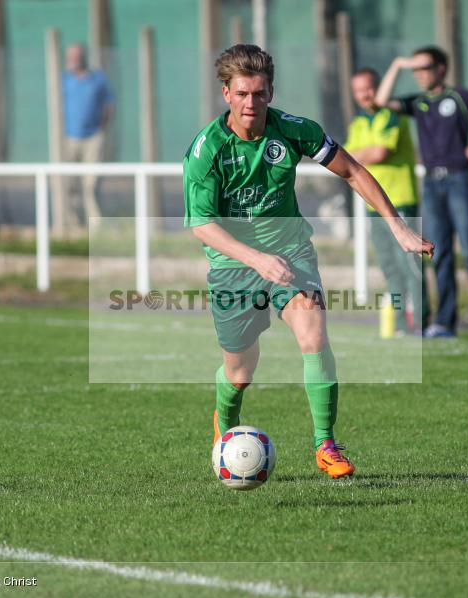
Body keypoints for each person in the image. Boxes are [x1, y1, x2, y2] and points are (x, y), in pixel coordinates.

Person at [183, 45, 433, 479]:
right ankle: (225, 421)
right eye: (241, 94)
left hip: (291, 253)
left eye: (259, 93)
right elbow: (202, 226)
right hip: (233, 264)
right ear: (226, 93)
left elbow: (353, 171)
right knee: (240, 372)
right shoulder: (207, 151)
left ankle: (325, 444)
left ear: (270, 92)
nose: (250, 103)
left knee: (313, 335)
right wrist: (257, 260)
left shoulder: (294, 130)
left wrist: (399, 228)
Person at [376, 46, 468, 340]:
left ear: (441, 69)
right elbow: (380, 101)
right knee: (439, 253)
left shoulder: (457, 97)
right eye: (415, 69)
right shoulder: (418, 102)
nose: (419, 74)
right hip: (431, 184)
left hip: (458, 179)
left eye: (424, 68)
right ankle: (446, 322)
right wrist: (397, 64)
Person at [345, 67, 430, 333]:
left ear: (379, 87)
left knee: (410, 266)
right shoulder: (358, 123)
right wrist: (358, 154)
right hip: (373, 206)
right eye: (358, 91)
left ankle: (422, 324)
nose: (364, 95)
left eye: (368, 88)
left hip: (400, 201)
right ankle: (401, 324)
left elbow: (380, 152)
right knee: (389, 267)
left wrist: (358, 155)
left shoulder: (392, 115)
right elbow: (345, 157)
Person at [62, 43, 115, 225]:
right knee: (69, 182)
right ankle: (73, 223)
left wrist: (102, 129)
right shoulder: (64, 80)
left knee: (90, 184)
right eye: (71, 56)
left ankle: (95, 224)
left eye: (77, 56)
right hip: (70, 138)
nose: (74, 60)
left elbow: (109, 105)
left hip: (93, 138)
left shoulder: (97, 79)